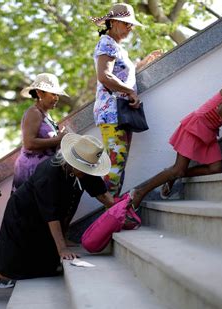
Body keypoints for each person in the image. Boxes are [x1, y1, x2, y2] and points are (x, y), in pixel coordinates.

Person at [0, 134, 115, 294]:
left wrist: (123, 212)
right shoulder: (49, 173)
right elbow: (52, 215)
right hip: (23, 216)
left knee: (47, 268)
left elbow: (103, 195)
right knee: (14, 268)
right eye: (85, 168)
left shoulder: (85, 170)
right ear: (72, 163)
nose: (88, 171)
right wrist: (62, 248)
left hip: (46, 219)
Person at [131, 58, 222, 207]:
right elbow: (221, 111)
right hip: (197, 126)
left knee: (215, 169)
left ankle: (173, 174)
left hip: (209, 131)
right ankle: (141, 191)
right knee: (178, 169)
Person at [91, 3, 162, 197]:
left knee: (117, 165)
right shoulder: (106, 43)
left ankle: (113, 213)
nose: (130, 28)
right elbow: (104, 76)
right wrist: (130, 93)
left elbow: (120, 74)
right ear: (112, 22)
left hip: (119, 111)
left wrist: (143, 63)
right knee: (115, 166)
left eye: (131, 24)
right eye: (126, 23)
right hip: (113, 111)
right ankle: (110, 214)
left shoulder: (115, 46)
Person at [12, 73, 69, 193]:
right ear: (40, 93)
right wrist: (58, 139)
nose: (57, 98)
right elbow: (29, 143)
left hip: (44, 172)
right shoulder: (34, 112)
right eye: (53, 94)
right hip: (32, 172)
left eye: (57, 94)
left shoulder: (47, 115)